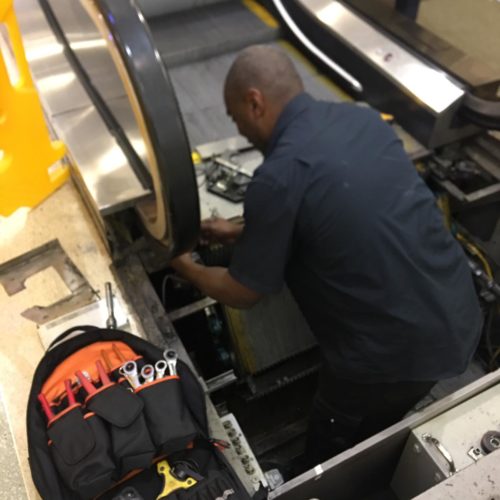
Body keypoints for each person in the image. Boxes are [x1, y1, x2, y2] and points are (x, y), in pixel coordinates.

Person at [171, 45, 482, 470]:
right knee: (387, 418)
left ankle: (329, 472)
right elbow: (334, 207)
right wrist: (242, 230)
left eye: (235, 116)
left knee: (338, 430)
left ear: (254, 102)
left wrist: (186, 267)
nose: (239, 129)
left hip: (387, 358)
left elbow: (244, 292)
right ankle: (376, 442)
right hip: (456, 316)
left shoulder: (278, 176)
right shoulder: (362, 118)